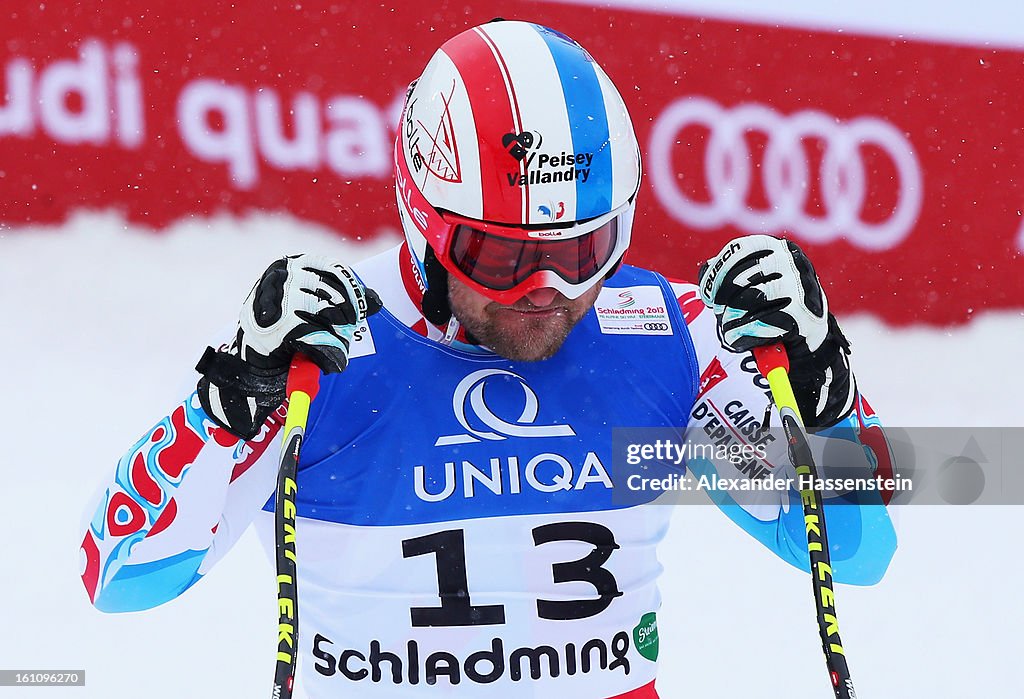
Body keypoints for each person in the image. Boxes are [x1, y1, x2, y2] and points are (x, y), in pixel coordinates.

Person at [80, 19, 896, 698]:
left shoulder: (666, 333)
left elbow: (859, 549)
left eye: (583, 249)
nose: (546, 288)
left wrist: (828, 385)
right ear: (423, 218)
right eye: (502, 257)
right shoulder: (324, 348)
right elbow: (117, 575)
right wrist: (227, 401)